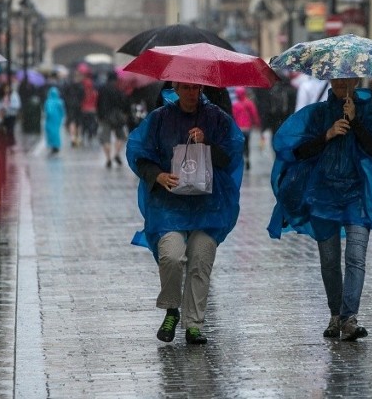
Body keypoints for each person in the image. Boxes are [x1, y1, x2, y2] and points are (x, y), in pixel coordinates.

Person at [268, 77, 372, 341]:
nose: (343, 84)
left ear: (356, 81)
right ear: (330, 80)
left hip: (358, 196)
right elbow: (298, 152)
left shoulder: (369, 113)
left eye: (348, 80)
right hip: (323, 195)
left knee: (356, 257)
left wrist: (356, 122)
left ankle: (349, 318)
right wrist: (328, 134)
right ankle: (336, 314)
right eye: (338, 79)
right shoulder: (318, 114)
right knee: (330, 260)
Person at [126, 82, 244, 345]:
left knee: (201, 260)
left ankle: (194, 324)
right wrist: (157, 175)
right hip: (169, 207)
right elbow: (139, 155)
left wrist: (207, 144)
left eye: (196, 88)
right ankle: (171, 310)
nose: (192, 93)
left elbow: (233, 156)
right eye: (186, 88)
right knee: (171, 255)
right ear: (176, 89)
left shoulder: (216, 118)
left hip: (209, 207)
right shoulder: (159, 119)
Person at [97, 72, 130, 168]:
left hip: (104, 116)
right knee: (121, 136)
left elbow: (98, 103)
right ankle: (116, 154)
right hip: (117, 117)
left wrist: (99, 116)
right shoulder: (118, 89)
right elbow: (123, 102)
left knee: (105, 138)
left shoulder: (102, 89)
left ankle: (108, 159)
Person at [231, 86, 261, 169]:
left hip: (239, 128)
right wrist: (257, 123)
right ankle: (247, 158)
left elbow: (232, 117)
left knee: (240, 145)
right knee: (247, 144)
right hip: (247, 128)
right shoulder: (249, 103)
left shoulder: (235, 105)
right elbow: (254, 114)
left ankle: (241, 160)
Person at [0, 82, 21, 148]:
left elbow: (17, 105)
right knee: (6, 129)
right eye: (5, 88)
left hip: (12, 115)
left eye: (7, 88)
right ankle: (9, 142)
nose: (6, 90)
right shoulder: (4, 96)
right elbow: (0, 104)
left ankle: (11, 142)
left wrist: (8, 106)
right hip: (5, 115)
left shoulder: (14, 95)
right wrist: (2, 107)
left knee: (10, 129)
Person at [43, 86, 66, 155]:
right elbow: (62, 111)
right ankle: (56, 146)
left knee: (50, 132)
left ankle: (52, 145)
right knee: (56, 132)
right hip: (57, 120)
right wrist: (61, 118)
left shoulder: (48, 101)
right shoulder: (59, 102)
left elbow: (47, 111)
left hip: (50, 120)